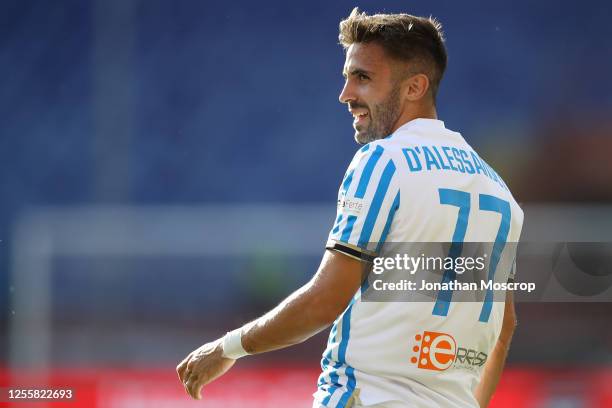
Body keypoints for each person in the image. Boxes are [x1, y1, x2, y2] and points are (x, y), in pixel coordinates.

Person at [177, 7, 523, 408]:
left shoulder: (384, 160)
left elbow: (326, 300)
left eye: (363, 78)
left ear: (414, 87)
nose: (345, 94)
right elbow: (504, 327)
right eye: (347, 77)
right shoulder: (499, 190)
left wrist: (228, 348)